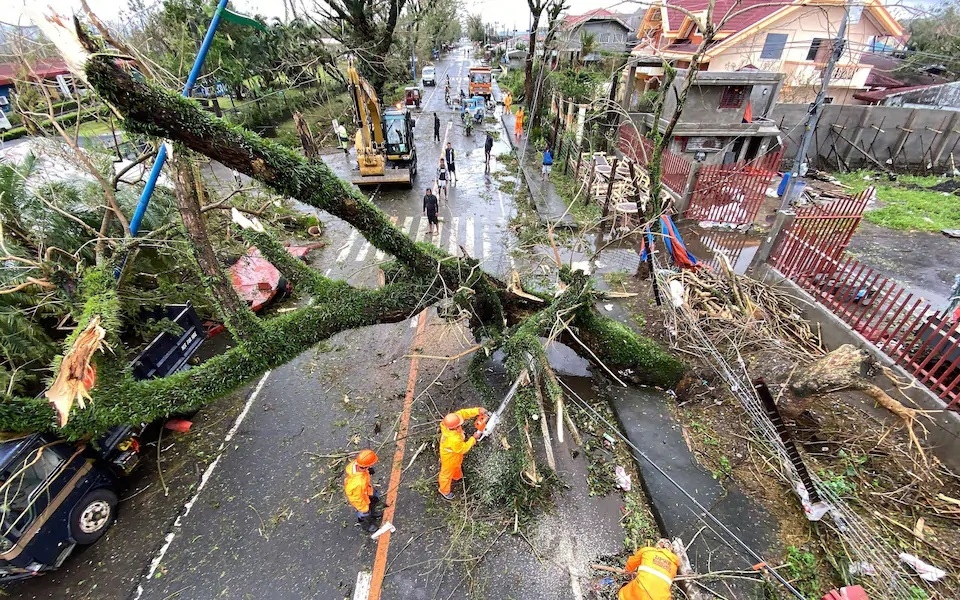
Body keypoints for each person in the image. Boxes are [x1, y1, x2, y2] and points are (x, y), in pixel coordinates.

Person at [438, 407, 488, 500]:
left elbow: (463, 413)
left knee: (457, 466)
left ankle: (457, 477)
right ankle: (444, 490)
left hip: (455, 454)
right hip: (450, 457)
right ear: (455, 427)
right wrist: (473, 438)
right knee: (446, 474)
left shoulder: (451, 421)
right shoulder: (453, 439)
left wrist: (477, 411)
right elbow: (463, 448)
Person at [344, 449, 381, 533]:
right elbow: (356, 498)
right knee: (364, 514)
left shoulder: (356, 465)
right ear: (367, 466)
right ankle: (366, 525)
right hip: (361, 498)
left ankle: (372, 513)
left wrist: (368, 471)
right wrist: (363, 508)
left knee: (374, 499)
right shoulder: (358, 483)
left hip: (366, 490)